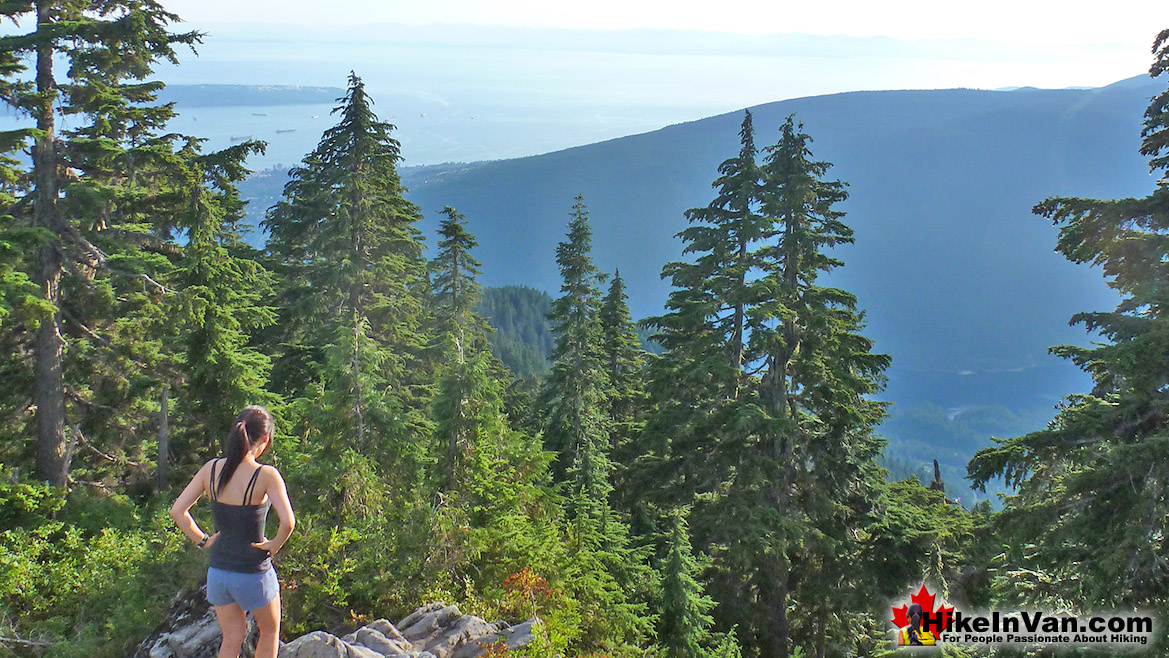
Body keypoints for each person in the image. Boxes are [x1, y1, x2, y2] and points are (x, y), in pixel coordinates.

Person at [169, 405, 295, 658]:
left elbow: (177, 512)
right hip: (252, 572)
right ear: (265, 440)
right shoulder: (266, 475)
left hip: (218, 572)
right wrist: (274, 545)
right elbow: (288, 522)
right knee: (269, 631)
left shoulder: (212, 469)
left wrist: (203, 540)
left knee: (232, 638)